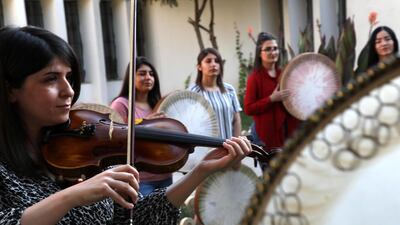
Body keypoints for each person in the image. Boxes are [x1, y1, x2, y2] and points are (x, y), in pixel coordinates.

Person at [0, 25, 252, 225]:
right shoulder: (5, 170)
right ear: (11, 89)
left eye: (69, 77)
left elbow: (137, 217)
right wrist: (72, 195)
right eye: (50, 79)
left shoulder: (80, 150)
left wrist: (200, 172)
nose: (68, 91)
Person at [110, 57, 171, 196]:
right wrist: (144, 123)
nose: (148, 77)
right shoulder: (121, 104)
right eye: (142, 73)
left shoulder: (158, 104)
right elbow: (114, 134)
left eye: (151, 74)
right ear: (131, 77)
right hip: (140, 178)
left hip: (164, 173)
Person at [244, 32, 299, 153]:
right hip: (266, 137)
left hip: (289, 135)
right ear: (260, 53)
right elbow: (248, 109)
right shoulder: (255, 78)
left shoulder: (285, 73)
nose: (273, 52)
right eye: (268, 49)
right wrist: (271, 99)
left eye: (275, 48)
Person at [188, 47, 242, 139]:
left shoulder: (229, 89)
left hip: (229, 147)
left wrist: (236, 142)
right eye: (208, 61)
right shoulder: (193, 92)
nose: (213, 64)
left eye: (217, 61)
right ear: (199, 67)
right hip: (206, 149)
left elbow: (236, 120)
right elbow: (189, 124)